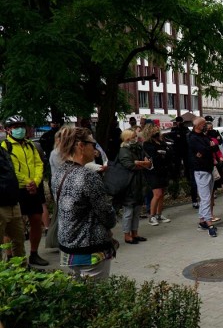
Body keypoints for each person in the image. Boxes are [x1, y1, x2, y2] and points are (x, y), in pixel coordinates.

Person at [52, 127, 117, 279]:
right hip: (90, 247)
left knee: (79, 292)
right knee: (95, 296)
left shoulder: (59, 172)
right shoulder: (88, 176)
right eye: (92, 144)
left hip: (68, 245)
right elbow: (106, 213)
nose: (95, 149)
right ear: (81, 145)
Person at [1, 115, 47, 266]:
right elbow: (9, 169)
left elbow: (38, 163)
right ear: (8, 130)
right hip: (16, 189)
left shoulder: (30, 145)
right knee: (13, 225)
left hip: (33, 188)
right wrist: (28, 182)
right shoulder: (5, 146)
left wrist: (36, 181)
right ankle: (11, 256)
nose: (20, 129)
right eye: (15, 127)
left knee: (36, 219)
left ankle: (34, 253)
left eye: (22, 126)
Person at [115, 129, 152, 244]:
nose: (136, 138)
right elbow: (130, 165)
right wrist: (142, 164)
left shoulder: (139, 147)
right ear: (127, 138)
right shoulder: (123, 150)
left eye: (136, 136)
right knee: (128, 212)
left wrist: (139, 162)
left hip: (139, 183)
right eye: (133, 136)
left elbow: (149, 161)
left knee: (137, 211)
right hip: (129, 184)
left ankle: (135, 233)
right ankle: (127, 235)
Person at [188, 117, 219, 236]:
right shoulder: (192, 137)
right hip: (200, 170)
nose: (205, 126)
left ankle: (202, 220)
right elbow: (203, 150)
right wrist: (209, 148)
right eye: (204, 124)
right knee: (205, 197)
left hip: (208, 167)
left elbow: (214, 147)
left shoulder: (203, 136)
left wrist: (209, 148)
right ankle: (208, 222)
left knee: (207, 195)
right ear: (198, 125)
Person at [142, 123, 172, 226]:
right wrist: (161, 153)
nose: (156, 132)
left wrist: (163, 153)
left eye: (157, 130)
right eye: (154, 131)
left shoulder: (161, 142)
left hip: (163, 170)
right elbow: (154, 156)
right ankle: (152, 216)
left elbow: (168, 153)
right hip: (153, 171)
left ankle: (159, 214)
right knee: (157, 194)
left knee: (162, 194)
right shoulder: (147, 144)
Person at [0, 144, 24, 261]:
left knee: (19, 240)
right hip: (1, 205)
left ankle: (21, 271)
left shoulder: (4, 151)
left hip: (13, 203)